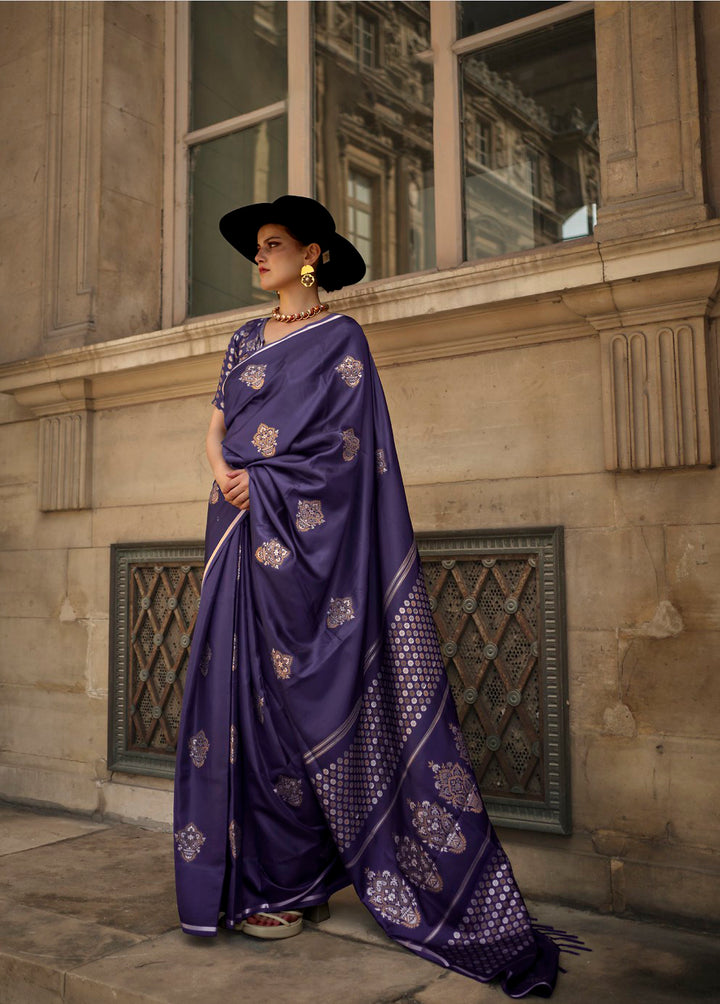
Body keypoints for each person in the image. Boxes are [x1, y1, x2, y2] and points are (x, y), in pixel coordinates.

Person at [173, 196, 560, 996]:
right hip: (238, 534)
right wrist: (226, 475)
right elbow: (214, 426)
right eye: (256, 247)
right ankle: (271, 881)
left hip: (306, 554)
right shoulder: (244, 338)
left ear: (310, 255)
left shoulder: (342, 339)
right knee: (247, 707)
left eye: (274, 244)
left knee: (300, 710)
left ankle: (300, 880)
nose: (260, 256)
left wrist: (266, 483)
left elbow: (346, 459)